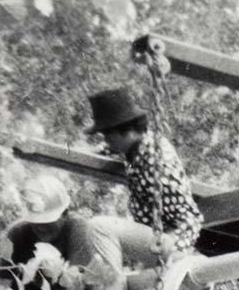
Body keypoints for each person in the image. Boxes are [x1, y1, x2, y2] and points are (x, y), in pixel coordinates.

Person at [0, 175, 142, 290]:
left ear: (65, 213)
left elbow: (76, 283)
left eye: (49, 221)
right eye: (37, 221)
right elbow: (1, 286)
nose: (42, 227)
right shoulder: (16, 234)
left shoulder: (76, 227)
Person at [85, 86, 204, 269]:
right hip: (155, 238)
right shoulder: (136, 149)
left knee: (98, 226)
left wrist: (178, 251)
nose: (106, 140)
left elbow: (190, 217)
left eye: (108, 134)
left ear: (127, 130)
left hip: (171, 244)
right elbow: (110, 148)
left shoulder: (158, 160)